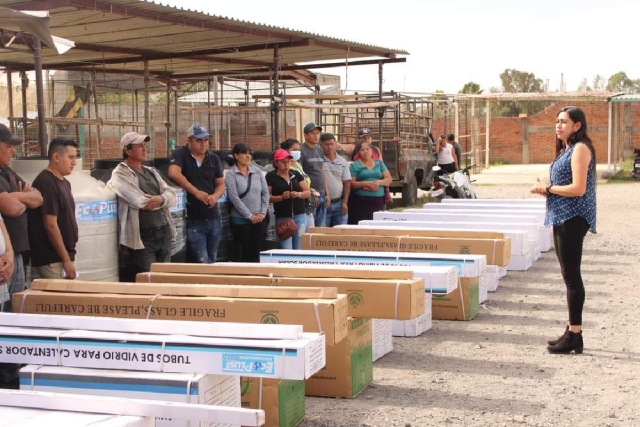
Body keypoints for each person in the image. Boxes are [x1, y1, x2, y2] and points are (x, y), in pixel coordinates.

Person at [530, 106, 597, 355]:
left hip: (574, 217)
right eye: (557, 121)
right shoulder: (567, 148)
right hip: (563, 216)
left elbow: (578, 188)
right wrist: (545, 187)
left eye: (564, 122)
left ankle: (575, 336)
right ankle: (571, 330)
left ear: (577, 125)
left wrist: (547, 188)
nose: (558, 126)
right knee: (568, 275)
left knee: (571, 277)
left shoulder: (580, 148)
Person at [107, 132, 177, 282]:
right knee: (149, 280)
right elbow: (140, 202)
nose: (145, 149)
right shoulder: (120, 174)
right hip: (143, 237)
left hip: (164, 230)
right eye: (140, 146)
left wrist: (160, 199)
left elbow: (173, 195)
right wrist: (164, 199)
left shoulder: (151, 172)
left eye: (145, 145)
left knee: (165, 278)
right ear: (127, 150)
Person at [0, 124, 43, 311]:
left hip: (16, 253)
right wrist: (21, 199)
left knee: (15, 307)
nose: (13, 150)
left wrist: (15, 196)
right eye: (8, 146)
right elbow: (10, 208)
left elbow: (39, 198)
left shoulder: (7, 171)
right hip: (4, 258)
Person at [168, 124, 225, 263]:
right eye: (199, 140)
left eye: (206, 140)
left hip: (213, 218)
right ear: (189, 140)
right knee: (202, 261)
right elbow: (173, 172)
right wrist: (196, 192)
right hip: (193, 219)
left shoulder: (214, 158)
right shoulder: (180, 154)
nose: (204, 144)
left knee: (212, 259)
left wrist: (214, 197)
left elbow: (221, 184)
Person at [28, 138, 79, 280]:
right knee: (60, 300)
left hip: (64, 256)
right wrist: (66, 259)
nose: (74, 163)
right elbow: (50, 224)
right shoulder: (46, 183)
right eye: (71, 157)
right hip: (52, 258)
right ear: (56, 157)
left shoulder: (64, 183)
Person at [225, 143, 269, 262]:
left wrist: (262, 213)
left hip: (260, 219)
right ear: (236, 155)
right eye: (244, 153)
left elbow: (265, 193)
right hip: (241, 221)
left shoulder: (257, 172)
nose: (248, 156)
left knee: (257, 249)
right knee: (245, 251)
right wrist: (249, 216)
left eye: (250, 154)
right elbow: (234, 197)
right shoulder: (231, 174)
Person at [266, 149, 310, 249]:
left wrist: (298, 194)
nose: (286, 165)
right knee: (286, 249)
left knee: (299, 247)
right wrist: (281, 197)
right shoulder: (271, 176)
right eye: (283, 162)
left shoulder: (295, 174)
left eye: (288, 162)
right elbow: (267, 197)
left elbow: (307, 192)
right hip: (283, 217)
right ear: (276, 163)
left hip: (300, 215)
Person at [348, 142, 392, 224]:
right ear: (359, 153)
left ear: (371, 151)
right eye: (362, 150)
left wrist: (378, 182)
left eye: (367, 149)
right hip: (361, 202)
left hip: (378, 201)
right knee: (361, 225)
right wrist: (366, 183)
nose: (365, 151)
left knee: (376, 225)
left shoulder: (379, 163)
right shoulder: (355, 165)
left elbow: (389, 179)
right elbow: (351, 184)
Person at [281, 138, 316, 228]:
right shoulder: (287, 169)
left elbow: (304, 182)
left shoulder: (298, 165)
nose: (297, 152)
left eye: (298, 150)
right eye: (294, 150)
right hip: (297, 206)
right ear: (286, 151)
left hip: (307, 204)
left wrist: (310, 190)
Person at [300, 123, 330, 227]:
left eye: (318, 133)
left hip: (322, 193)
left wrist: (327, 193)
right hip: (311, 195)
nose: (316, 136)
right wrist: (310, 192)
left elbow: (322, 171)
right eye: (313, 133)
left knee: (321, 230)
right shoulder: (301, 150)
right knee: (311, 229)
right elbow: (300, 174)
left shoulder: (319, 149)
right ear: (305, 135)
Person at [320, 133, 351, 226]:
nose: (329, 147)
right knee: (323, 235)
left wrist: (345, 203)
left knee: (341, 234)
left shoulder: (342, 162)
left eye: (332, 144)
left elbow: (347, 183)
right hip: (323, 204)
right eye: (326, 144)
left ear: (335, 144)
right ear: (321, 145)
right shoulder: (318, 160)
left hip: (339, 204)